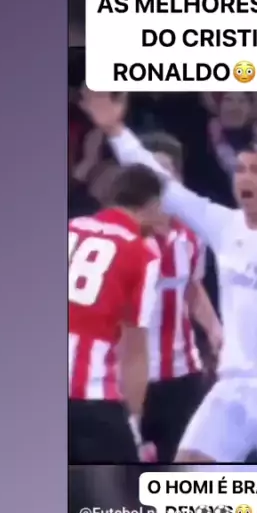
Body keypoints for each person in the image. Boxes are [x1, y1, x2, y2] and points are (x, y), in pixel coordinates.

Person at [81, 91, 257, 464]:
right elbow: (161, 184)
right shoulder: (223, 224)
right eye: (240, 170)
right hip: (232, 386)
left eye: (256, 171)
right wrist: (115, 130)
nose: (244, 178)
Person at [136, 131, 223, 462]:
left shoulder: (193, 235)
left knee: (185, 465)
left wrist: (215, 330)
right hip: (128, 375)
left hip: (182, 371)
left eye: (166, 172)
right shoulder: (116, 235)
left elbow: (192, 288)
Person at [68, 163, 163, 464]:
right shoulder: (142, 253)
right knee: (117, 491)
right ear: (151, 204)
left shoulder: (70, 227)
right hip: (92, 393)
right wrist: (134, 420)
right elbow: (135, 351)